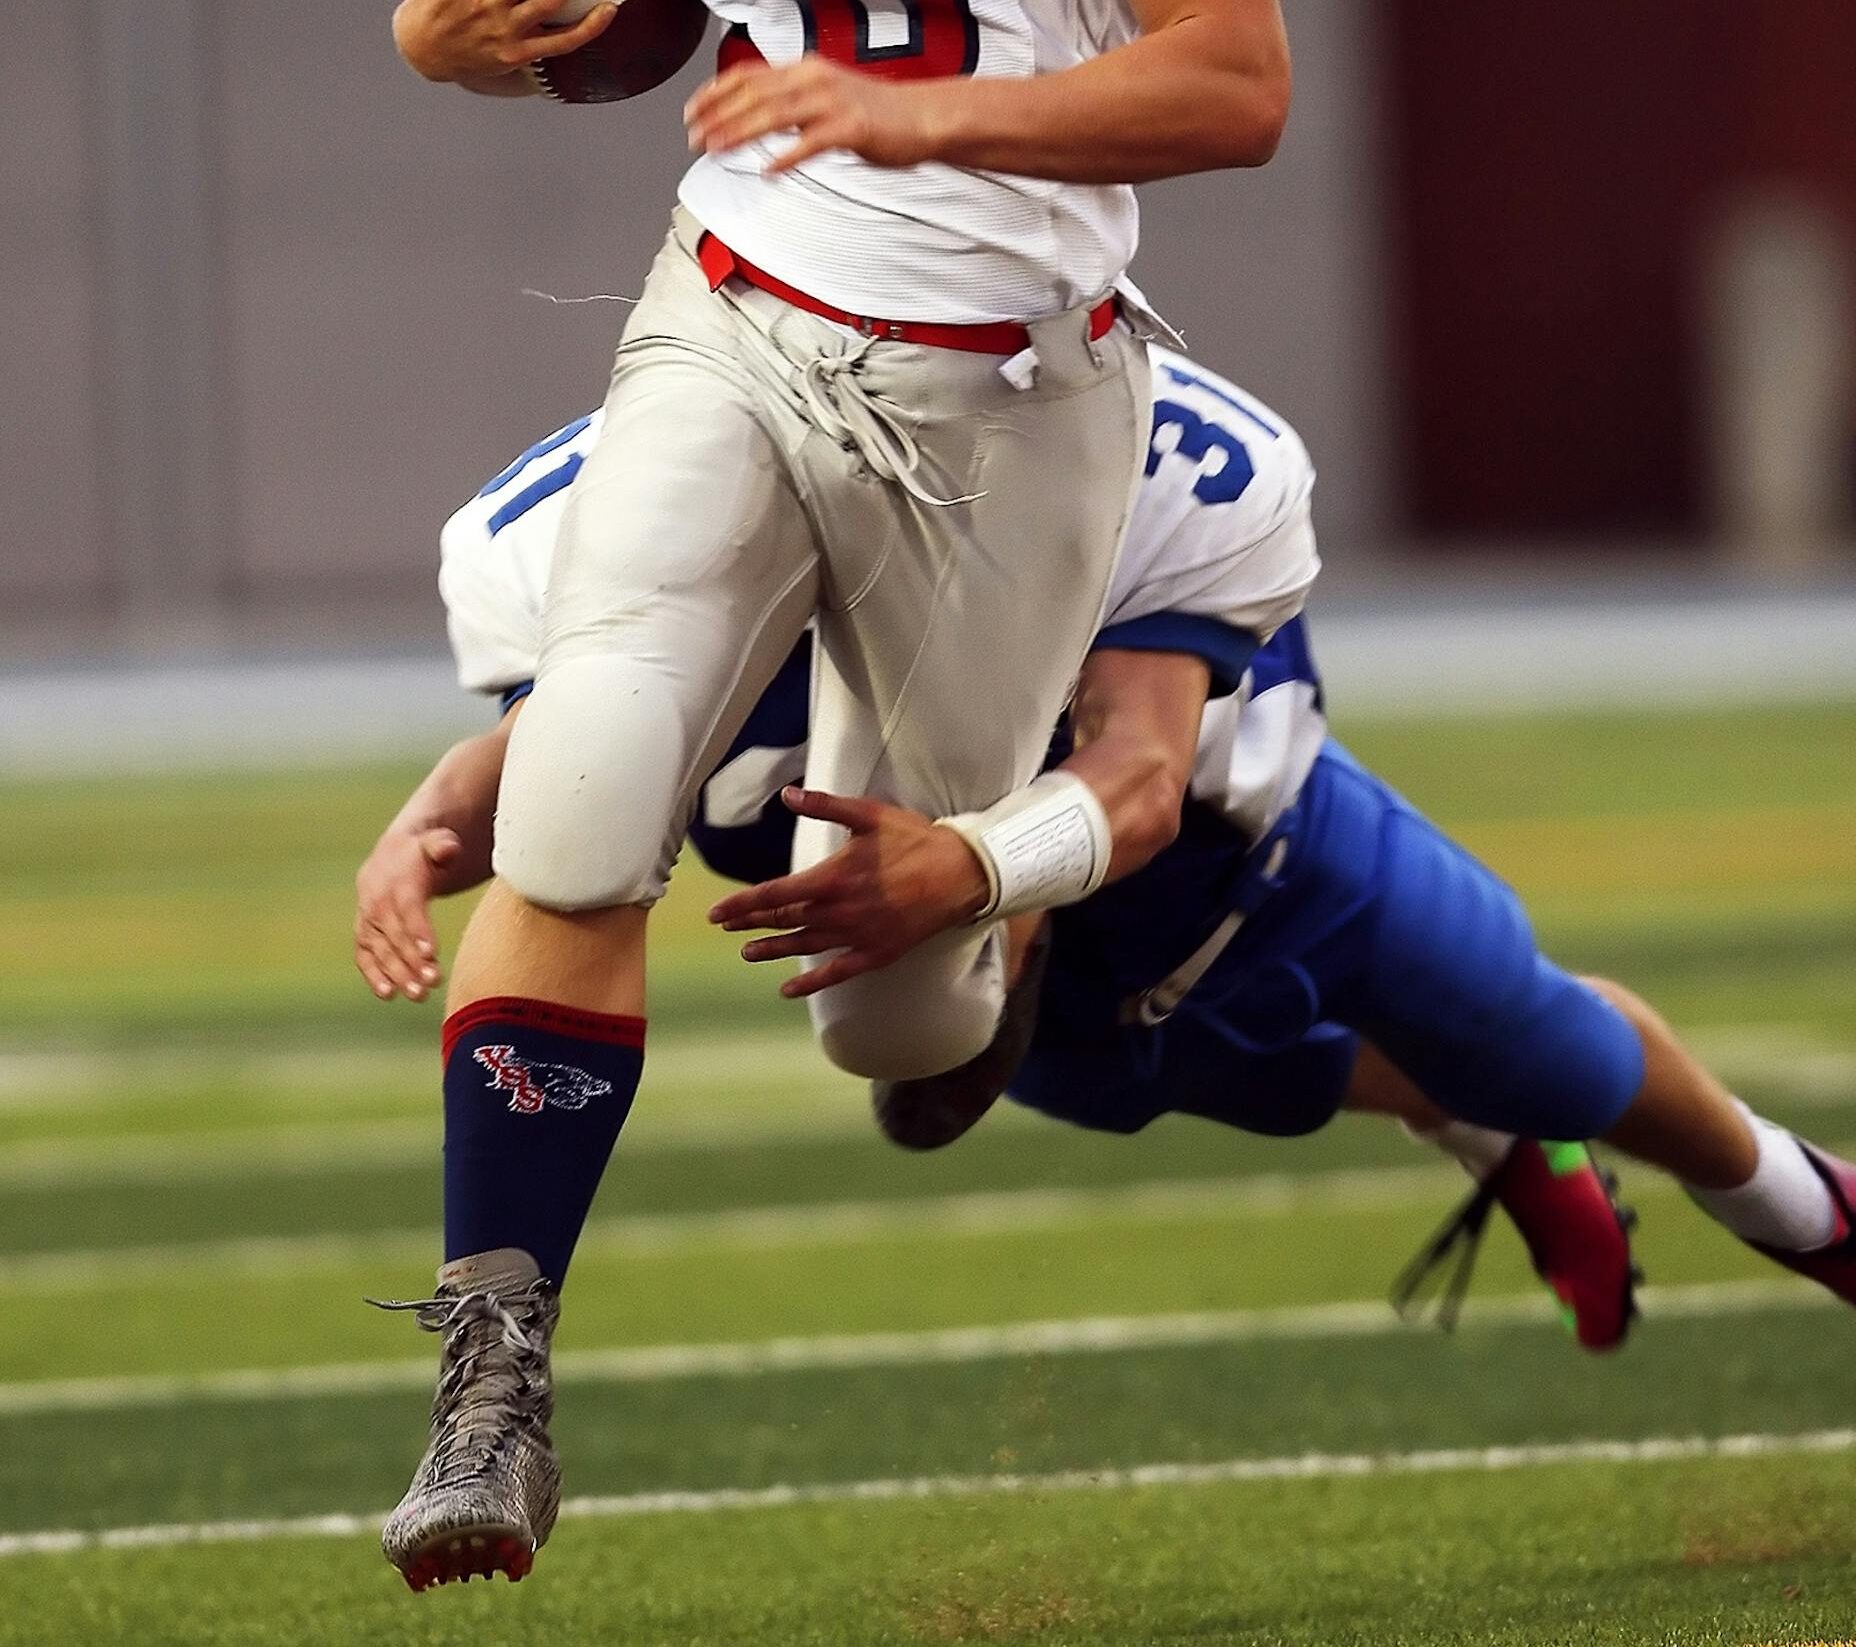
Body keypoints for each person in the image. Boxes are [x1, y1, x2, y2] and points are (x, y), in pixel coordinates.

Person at [359, 351, 1645, 1587]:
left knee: (1555, 1057)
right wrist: (423, 828)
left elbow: (1139, 770)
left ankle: (1781, 1198)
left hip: (1237, 840)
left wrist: (964, 871)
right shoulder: (638, 507)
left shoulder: (1142, 463)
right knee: (952, 1047)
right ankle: (491, 1381)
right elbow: (551, 766)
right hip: (1004, 855)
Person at [379, 0, 1292, 1588]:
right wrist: (472, 37)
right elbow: (448, 33)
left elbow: (1238, 84)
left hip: (1014, 402)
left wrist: (919, 121)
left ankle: (1007, 934)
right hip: (730, 313)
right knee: (580, 796)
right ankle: (490, 1379)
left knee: (899, 1024)